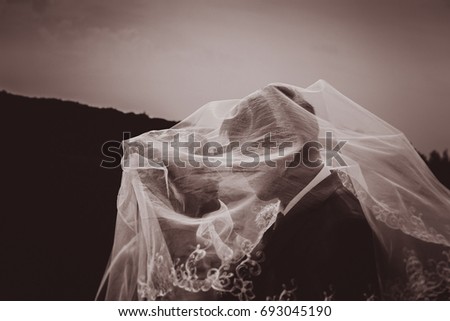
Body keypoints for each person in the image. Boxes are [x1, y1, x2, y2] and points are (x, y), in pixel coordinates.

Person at [98, 80, 450, 300]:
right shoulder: (299, 211)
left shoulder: (343, 225)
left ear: (278, 154)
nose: (240, 173)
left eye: (245, 158)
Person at [219, 84, 379, 300]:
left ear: (286, 147)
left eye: (243, 151)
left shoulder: (345, 226)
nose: (235, 166)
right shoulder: (286, 210)